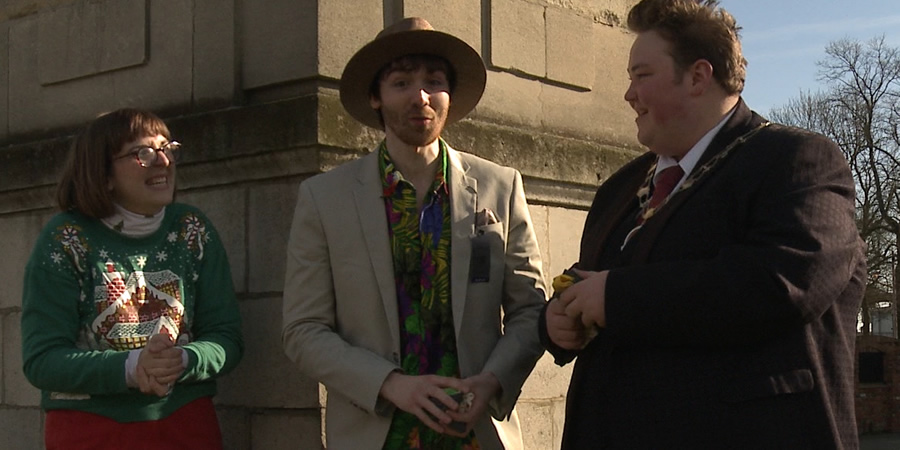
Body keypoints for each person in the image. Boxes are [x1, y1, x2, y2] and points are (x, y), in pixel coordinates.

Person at [540, 0, 866, 448]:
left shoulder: (797, 161)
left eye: (642, 75)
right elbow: (600, 286)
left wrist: (616, 298)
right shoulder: (618, 188)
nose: (628, 94)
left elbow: (785, 282)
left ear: (697, 76)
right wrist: (560, 318)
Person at [282, 17, 548, 450]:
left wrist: (492, 381)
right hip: (378, 431)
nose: (420, 96)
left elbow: (529, 310)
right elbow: (303, 329)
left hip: (475, 432)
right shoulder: (324, 198)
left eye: (434, 81)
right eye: (401, 82)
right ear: (376, 97)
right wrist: (390, 384)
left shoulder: (500, 186)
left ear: (449, 94)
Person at [21, 108, 244, 450]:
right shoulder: (66, 238)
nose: (163, 162)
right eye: (143, 153)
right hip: (91, 429)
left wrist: (183, 360)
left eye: (168, 148)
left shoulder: (192, 229)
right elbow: (42, 361)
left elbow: (227, 338)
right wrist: (131, 366)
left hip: (185, 423)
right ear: (103, 174)